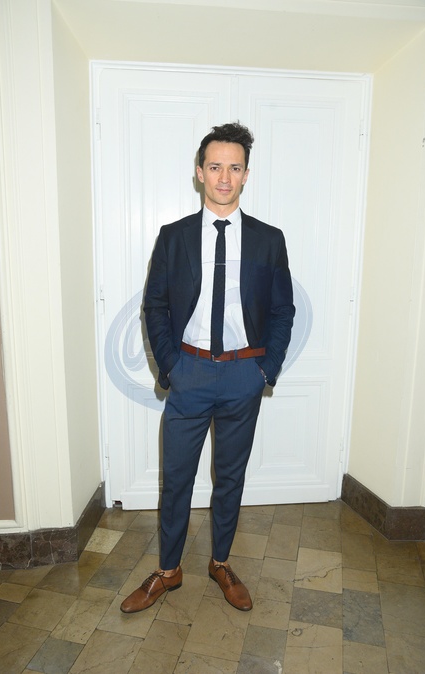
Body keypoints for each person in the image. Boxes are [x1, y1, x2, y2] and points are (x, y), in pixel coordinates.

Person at [120, 122, 295, 614]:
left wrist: (266, 370)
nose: (224, 177)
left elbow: (282, 310)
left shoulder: (269, 240)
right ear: (199, 172)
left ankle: (221, 563)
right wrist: (171, 367)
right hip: (190, 373)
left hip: (243, 374)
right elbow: (155, 306)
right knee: (176, 478)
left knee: (230, 478)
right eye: (215, 167)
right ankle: (168, 570)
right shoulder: (173, 237)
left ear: (246, 175)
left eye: (234, 168)